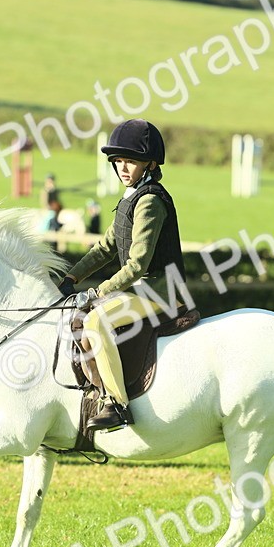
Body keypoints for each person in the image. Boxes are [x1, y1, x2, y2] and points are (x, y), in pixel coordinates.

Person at [57, 119, 185, 432]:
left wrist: (99, 291)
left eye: (131, 161)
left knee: (96, 320)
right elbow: (105, 248)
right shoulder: (130, 199)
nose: (123, 167)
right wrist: (71, 277)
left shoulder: (151, 201)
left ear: (150, 165)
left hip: (161, 291)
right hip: (142, 290)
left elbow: (137, 264)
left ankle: (116, 404)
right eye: (118, 161)